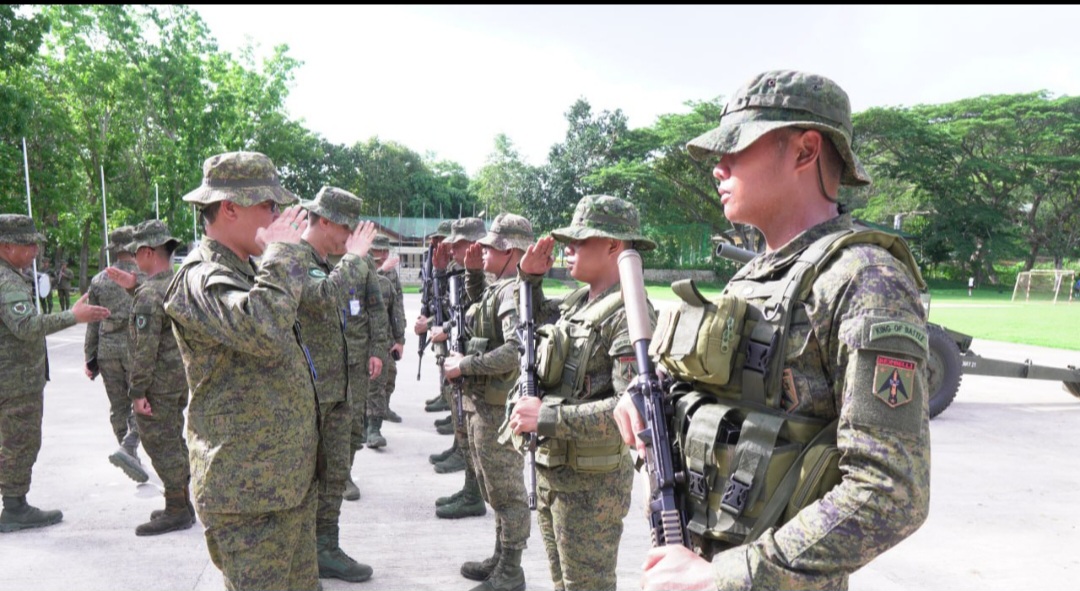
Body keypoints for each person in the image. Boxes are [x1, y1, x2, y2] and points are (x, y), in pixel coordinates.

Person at [613, 70, 931, 590]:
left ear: (805, 150)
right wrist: (643, 397)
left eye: (736, 149)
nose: (718, 168)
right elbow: (717, 391)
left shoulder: (866, 279)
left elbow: (891, 491)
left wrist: (726, 577)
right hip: (692, 558)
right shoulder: (753, 277)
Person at [163, 151, 321, 590]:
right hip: (247, 497)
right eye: (268, 205)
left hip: (284, 483)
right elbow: (262, 328)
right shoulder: (200, 278)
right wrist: (283, 253)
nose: (277, 216)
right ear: (230, 208)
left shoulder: (249, 269)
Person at [508, 195, 657, 591]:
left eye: (580, 240)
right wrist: (529, 279)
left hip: (592, 488)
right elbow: (530, 326)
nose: (568, 249)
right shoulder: (579, 303)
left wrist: (546, 417)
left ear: (613, 245)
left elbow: (632, 412)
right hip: (554, 472)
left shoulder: (630, 313)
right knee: (563, 583)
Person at [0, 214, 110, 533]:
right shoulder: (7, 281)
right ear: (6, 246)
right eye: (28, 244)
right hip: (15, 381)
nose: (35, 250)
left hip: (13, 377)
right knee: (20, 442)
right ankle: (15, 508)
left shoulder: (12, 275)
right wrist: (73, 316)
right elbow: (26, 326)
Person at [443, 213, 535, 591]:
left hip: (498, 409)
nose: (482, 252)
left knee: (507, 492)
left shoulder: (513, 292)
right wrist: (472, 275)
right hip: (485, 404)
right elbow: (481, 312)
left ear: (510, 251)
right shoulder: (501, 286)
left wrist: (465, 365)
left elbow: (515, 350)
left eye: (490, 248)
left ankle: (511, 571)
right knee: (492, 488)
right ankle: (500, 558)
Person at [294, 186, 378, 582]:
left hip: (334, 392)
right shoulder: (297, 258)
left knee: (334, 475)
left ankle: (325, 547)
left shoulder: (323, 261)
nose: (350, 238)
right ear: (325, 221)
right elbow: (323, 297)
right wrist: (355, 259)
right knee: (314, 479)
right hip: (314, 395)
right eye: (346, 229)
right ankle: (312, 551)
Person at [108, 219, 193, 536]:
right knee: (173, 439)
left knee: (161, 444)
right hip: (178, 380)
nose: (133, 259)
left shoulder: (148, 295)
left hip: (157, 384)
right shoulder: (177, 284)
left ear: (147, 252)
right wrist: (134, 288)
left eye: (135, 253)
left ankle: (176, 509)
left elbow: (145, 350)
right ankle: (181, 501)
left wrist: (137, 391)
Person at [419, 217, 489, 519]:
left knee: (472, 431)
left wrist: (445, 329)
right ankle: (470, 489)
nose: (451, 249)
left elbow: (471, 313)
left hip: (475, 361)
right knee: (464, 426)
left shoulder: (483, 276)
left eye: (457, 244)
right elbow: (454, 307)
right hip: (462, 355)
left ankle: (474, 494)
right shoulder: (463, 271)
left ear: (473, 243)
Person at [85, 226, 149, 483]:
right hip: (136, 347)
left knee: (118, 406)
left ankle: (127, 450)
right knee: (145, 399)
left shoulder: (99, 280)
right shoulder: (142, 277)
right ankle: (130, 444)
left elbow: (92, 322)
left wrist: (89, 357)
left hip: (107, 348)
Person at [332, 226, 387, 503]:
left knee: (354, 422)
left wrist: (377, 350)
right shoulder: (313, 254)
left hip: (356, 356)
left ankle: (344, 474)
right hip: (320, 359)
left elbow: (376, 308)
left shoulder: (364, 260)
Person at [365, 234, 406, 448]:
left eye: (384, 250)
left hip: (386, 336)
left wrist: (400, 338)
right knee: (373, 383)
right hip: (365, 336)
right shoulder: (363, 269)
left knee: (388, 377)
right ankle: (371, 427)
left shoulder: (391, 275)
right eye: (377, 250)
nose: (381, 255)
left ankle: (379, 414)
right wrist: (381, 271)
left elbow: (397, 305)